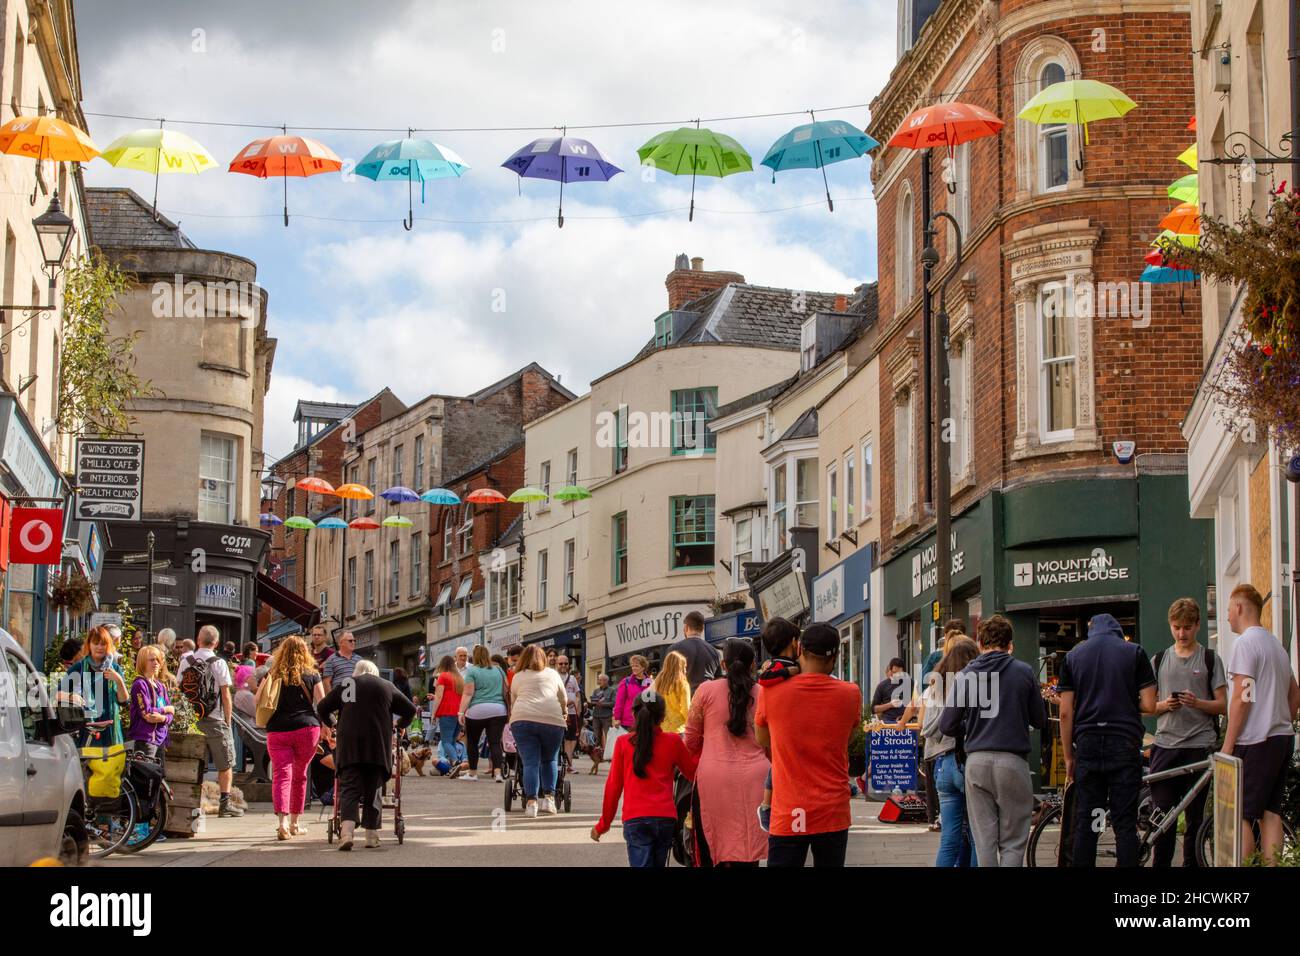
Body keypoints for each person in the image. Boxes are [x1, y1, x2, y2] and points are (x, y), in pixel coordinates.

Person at [939, 614, 1045, 867]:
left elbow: (947, 724)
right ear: (1010, 643)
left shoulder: (965, 675)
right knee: (1013, 841)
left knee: (984, 839)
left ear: (980, 641)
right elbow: (1039, 719)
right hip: (1013, 761)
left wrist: (972, 724)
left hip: (976, 762)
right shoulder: (1023, 672)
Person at [755, 623, 862, 867]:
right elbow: (847, 738)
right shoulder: (850, 693)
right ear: (835, 656)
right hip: (832, 809)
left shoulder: (770, 692)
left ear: (800, 648)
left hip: (789, 807)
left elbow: (763, 740)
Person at [1058, 612, 1158, 868]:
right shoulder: (1134, 652)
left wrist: (1069, 756)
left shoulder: (1073, 657)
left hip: (1088, 746)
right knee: (1125, 824)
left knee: (1089, 822)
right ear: (1116, 630)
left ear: (1092, 631)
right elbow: (1149, 703)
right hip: (1124, 745)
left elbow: (1066, 712)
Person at [1222, 583, 1300, 864]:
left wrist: (1228, 745)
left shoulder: (1245, 644)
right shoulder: (1275, 645)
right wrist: (1281, 720)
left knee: (1241, 813)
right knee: (1271, 812)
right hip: (1281, 737)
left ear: (1240, 607)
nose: (1228, 616)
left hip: (1255, 740)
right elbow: (1295, 692)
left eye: (1229, 609)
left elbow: (1243, 696)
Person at [1149, 598, 1227, 867]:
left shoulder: (1209, 659)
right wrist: (1163, 705)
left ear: (1197, 626)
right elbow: (1146, 706)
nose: (1181, 633)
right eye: (1176, 627)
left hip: (1198, 746)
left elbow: (1223, 705)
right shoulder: (1159, 660)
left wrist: (1198, 703)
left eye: (1186, 628)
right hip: (1166, 746)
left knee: (1195, 819)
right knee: (1163, 815)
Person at [685, 638, 769, 866]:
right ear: (753, 665)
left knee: (714, 845)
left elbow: (690, 738)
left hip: (713, 776)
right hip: (757, 778)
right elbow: (772, 741)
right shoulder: (763, 694)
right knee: (749, 848)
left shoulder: (705, 691)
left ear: (723, 665)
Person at [317, 658, 416, 850]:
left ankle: (346, 833)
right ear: (375, 672)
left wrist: (334, 723)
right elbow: (410, 709)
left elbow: (322, 707)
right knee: (374, 787)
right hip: (377, 744)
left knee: (350, 788)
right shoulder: (386, 685)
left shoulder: (348, 684)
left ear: (357, 671)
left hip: (349, 744)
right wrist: (399, 725)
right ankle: (371, 835)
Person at [592, 691, 699, 867]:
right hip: (665, 818)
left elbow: (613, 787)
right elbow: (694, 774)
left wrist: (603, 825)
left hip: (636, 818)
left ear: (633, 714)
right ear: (663, 717)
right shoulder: (673, 742)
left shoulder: (623, 743)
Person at [921, 635, 980, 866]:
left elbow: (928, 728)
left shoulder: (937, 685)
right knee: (977, 837)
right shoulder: (977, 684)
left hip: (944, 766)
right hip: (968, 762)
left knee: (949, 839)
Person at [263, 636, 325, 841]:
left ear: (282, 651)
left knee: (281, 776)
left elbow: (258, 700)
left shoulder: (272, 673)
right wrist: (328, 727)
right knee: (299, 776)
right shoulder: (312, 674)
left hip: (277, 730)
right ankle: (295, 824)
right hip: (307, 729)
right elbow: (322, 704)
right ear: (305, 652)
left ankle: (282, 824)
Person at [178, 625, 243, 817]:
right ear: (216, 643)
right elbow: (225, 694)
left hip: (192, 720)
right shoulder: (219, 663)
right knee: (226, 764)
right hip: (214, 719)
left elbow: (179, 689)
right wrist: (228, 721)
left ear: (198, 640)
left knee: (195, 763)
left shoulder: (185, 660)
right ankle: (225, 804)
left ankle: (192, 803)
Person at [509, 645, 568, 816]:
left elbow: (513, 701)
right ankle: (549, 799)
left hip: (523, 719)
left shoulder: (518, 676)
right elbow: (563, 698)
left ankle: (531, 803)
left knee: (530, 762)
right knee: (550, 759)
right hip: (552, 720)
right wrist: (564, 712)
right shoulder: (553, 674)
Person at [755, 617, 801, 830]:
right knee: (776, 769)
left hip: (787, 725)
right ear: (793, 642)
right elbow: (764, 679)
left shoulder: (795, 663)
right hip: (781, 728)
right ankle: (766, 805)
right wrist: (784, 673)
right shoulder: (777, 666)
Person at [62, 627, 128, 747]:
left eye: (103, 644)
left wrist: (118, 680)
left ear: (108, 645)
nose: (99, 647)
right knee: (86, 764)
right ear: (89, 645)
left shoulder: (115, 669)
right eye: (95, 643)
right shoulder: (79, 667)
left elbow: (124, 701)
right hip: (86, 731)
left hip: (110, 731)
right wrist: (72, 696)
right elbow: (58, 694)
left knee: (110, 765)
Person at [460, 645, 509, 782]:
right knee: (495, 742)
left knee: (472, 742)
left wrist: (460, 712)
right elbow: (506, 689)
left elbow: (468, 693)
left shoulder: (472, 671)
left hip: (477, 710)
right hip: (499, 710)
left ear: (474, 657)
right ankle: (498, 773)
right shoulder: (499, 670)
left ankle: (473, 773)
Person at [126, 644, 174, 759]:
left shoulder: (160, 686)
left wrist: (164, 718)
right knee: (146, 773)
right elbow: (147, 714)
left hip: (161, 739)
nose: (156, 663)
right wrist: (165, 710)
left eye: (158, 660)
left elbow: (171, 714)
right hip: (145, 739)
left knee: (159, 775)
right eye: (152, 660)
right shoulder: (139, 684)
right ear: (143, 662)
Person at [429, 655, 467, 775]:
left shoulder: (443, 676)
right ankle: (455, 765)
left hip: (447, 711)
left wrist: (433, 714)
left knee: (445, 741)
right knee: (452, 740)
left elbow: (439, 697)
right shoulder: (460, 678)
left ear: (442, 665)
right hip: (459, 712)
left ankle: (455, 763)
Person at [668, 610, 721, 693]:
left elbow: (667, 679)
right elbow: (719, 681)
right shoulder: (715, 651)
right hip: (707, 699)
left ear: (686, 627)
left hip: (684, 700)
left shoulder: (674, 649)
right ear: (702, 629)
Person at [651, 650, 691, 734]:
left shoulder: (658, 682)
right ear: (679, 667)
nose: (685, 671)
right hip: (679, 728)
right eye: (684, 667)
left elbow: (650, 700)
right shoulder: (682, 684)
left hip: (662, 728)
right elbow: (686, 709)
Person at [555, 653, 583, 766]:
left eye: (565, 663)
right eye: (561, 663)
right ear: (557, 664)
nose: (563, 665)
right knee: (559, 739)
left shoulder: (572, 678)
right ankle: (558, 763)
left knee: (571, 739)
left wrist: (578, 709)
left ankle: (569, 763)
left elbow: (577, 694)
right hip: (558, 713)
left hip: (572, 713)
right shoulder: (553, 677)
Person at [613, 655, 652, 730]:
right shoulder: (626, 681)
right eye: (632, 666)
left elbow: (651, 702)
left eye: (636, 666)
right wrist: (617, 718)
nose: (633, 668)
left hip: (645, 720)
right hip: (629, 721)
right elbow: (619, 701)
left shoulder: (650, 682)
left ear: (643, 667)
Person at [587, 673, 616, 774]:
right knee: (596, 736)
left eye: (602, 680)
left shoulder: (611, 690)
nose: (601, 682)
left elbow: (614, 703)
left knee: (608, 736)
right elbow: (593, 702)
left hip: (606, 716)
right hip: (596, 716)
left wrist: (602, 704)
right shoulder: (596, 691)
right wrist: (590, 703)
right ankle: (596, 758)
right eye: (599, 680)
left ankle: (609, 756)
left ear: (607, 681)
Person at [871, 657, 910, 723]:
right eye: (894, 672)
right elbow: (874, 709)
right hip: (888, 723)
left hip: (906, 723)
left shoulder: (910, 683)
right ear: (890, 671)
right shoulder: (882, 685)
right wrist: (890, 705)